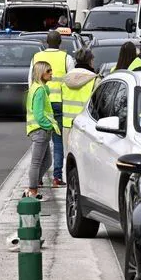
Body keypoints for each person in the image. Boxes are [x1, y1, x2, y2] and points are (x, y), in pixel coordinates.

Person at [29, 30, 74, 187]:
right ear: (60, 42)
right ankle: (56, 177)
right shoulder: (66, 58)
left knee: (43, 143)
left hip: (43, 103)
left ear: (46, 42)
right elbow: (71, 81)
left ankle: (38, 178)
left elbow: (31, 81)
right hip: (60, 103)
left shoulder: (36, 57)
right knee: (58, 141)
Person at [25, 61, 58, 200]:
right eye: (48, 71)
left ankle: (31, 188)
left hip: (40, 131)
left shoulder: (38, 88)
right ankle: (32, 191)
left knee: (46, 162)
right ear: (41, 73)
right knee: (37, 162)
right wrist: (48, 126)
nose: (51, 73)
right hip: (40, 131)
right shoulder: (39, 91)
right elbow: (39, 114)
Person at [61, 48, 100, 151]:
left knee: (69, 159)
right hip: (86, 128)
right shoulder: (95, 80)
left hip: (67, 125)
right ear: (90, 61)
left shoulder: (66, 79)